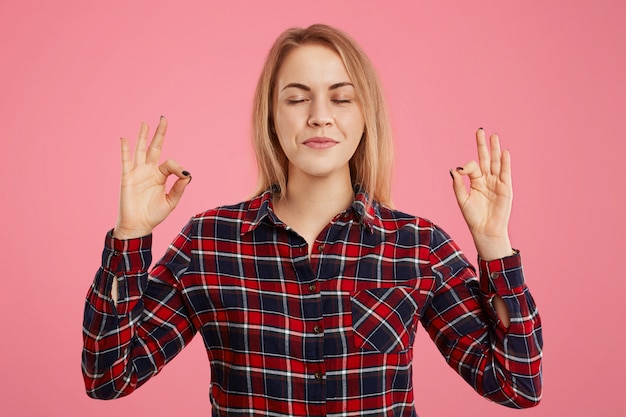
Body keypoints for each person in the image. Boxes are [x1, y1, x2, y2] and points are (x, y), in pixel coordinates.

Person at [82, 24, 542, 416]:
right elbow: (109, 376)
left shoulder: (417, 245)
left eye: (341, 99)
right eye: (298, 99)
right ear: (271, 117)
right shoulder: (210, 242)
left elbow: (516, 384)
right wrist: (131, 236)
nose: (320, 117)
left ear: (366, 117)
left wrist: (493, 243)